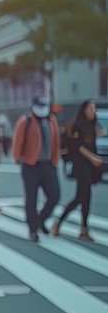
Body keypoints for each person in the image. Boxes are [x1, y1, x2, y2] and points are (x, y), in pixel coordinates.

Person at [53, 100, 104, 241]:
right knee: (83, 197)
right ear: (84, 110)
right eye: (90, 108)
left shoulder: (93, 126)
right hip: (81, 165)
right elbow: (78, 147)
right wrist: (93, 157)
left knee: (81, 198)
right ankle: (80, 229)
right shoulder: (78, 126)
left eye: (94, 108)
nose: (93, 111)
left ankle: (65, 224)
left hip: (90, 166)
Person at [11, 96, 61, 242]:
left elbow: (56, 141)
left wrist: (55, 159)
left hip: (48, 164)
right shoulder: (25, 121)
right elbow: (17, 141)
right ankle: (32, 229)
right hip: (30, 164)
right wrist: (18, 159)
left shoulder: (51, 120)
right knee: (31, 199)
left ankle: (40, 219)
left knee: (54, 195)